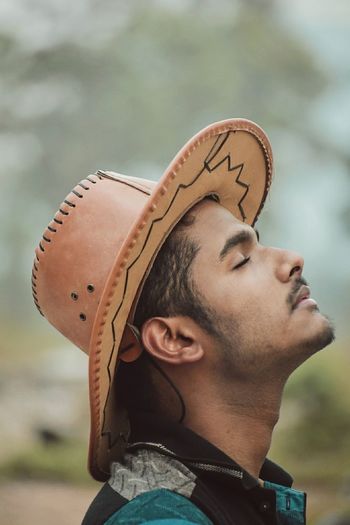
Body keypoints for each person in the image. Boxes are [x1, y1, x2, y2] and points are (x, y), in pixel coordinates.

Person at [32, 119, 334, 525]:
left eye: (258, 243)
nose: (291, 259)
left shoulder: (226, 491)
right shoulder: (159, 518)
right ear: (175, 339)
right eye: (241, 260)